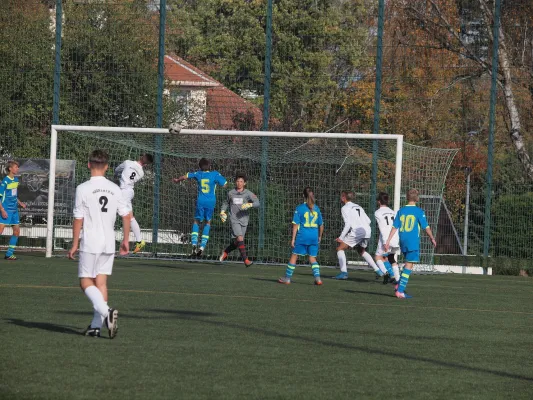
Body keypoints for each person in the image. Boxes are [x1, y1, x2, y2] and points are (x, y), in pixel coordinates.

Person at [68, 149, 131, 338]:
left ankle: (106, 313)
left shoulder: (83, 188)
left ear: (88, 165)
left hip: (91, 242)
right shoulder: (115, 188)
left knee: (85, 281)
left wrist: (74, 244)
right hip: (109, 243)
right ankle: (96, 326)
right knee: (101, 282)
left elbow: (78, 218)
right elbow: (126, 215)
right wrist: (126, 240)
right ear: (107, 167)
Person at [385, 188, 437, 299]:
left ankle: (399, 284)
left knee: (408, 263)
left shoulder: (401, 211)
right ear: (417, 198)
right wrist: (432, 238)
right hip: (413, 241)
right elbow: (426, 227)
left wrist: (388, 241)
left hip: (403, 241)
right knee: (409, 264)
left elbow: (394, 227)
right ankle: (400, 291)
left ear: (407, 198)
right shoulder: (419, 211)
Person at [173, 158, 227, 256]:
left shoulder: (198, 174)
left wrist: (177, 180)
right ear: (209, 165)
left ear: (200, 167)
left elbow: (186, 176)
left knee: (196, 222)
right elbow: (225, 184)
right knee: (208, 222)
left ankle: (194, 245)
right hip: (211, 202)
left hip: (201, 201)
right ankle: (202, 247)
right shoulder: (215, 174)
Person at [334, 191, 384, 280]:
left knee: (340, 248)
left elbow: (348, 224)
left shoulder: (345, 208)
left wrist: (341, 237)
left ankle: (344, 273)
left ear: (344, 197)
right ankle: (378, 271)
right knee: (361, 250)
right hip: (367, 230)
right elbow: (368, 220)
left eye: (341, 196)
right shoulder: (358, 206)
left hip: (358, 231)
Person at [279, 187, 324, 285]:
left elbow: (295, 225)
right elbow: (321, 225)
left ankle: (287, 278)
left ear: (303, 196)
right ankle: (318, 279)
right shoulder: (317, 208)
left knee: (294, 256)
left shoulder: (299, 208)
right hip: (314, 237)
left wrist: (293, 239)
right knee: (312, 258)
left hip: (303, 236)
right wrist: (319, 236)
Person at [114, 154, 153, 254]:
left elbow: (117, 170)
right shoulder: (141, 173)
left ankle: (121, 242)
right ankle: (139, 241)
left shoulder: (128, 162)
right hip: (130, 191)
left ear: (142, 156)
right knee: (130, 217)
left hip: (123, 191)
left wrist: (117, 175)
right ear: (147, 164)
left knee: (117, 212)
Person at [219, 173, 259, 267]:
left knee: (238, 242)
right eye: (237, 181)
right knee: (240, 238)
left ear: (244, 183)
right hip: (234, 219)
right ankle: (246, 261)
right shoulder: (230, 193)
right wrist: (222, 211)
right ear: (235, 182)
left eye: (241, 181)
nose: (239, 183)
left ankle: (226, 252)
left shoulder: (248, 193)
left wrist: (250, 204)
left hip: (244, 220)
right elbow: (225, 203)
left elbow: (258, 203)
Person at [0, 160, 27, 260]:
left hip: (14, 210)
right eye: (15, 167)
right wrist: (2, 210)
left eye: (17, 167)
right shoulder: (5, 181)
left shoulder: (15, 180)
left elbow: (14, 195)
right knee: (0, 230)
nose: (17, 169)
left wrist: (20, 203)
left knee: (16, 232)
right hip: (6, 209)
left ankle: (9, 254)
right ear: (10, 169)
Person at [374, 192, 400, 284]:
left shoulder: (377, 212)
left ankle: (387, 274)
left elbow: (382, 228)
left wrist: (386, 242)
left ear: (379, 202)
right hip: (395, 237)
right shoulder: (393, 212)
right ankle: (397, 279)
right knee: (391, 258)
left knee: (377, 257)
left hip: (386, 238)